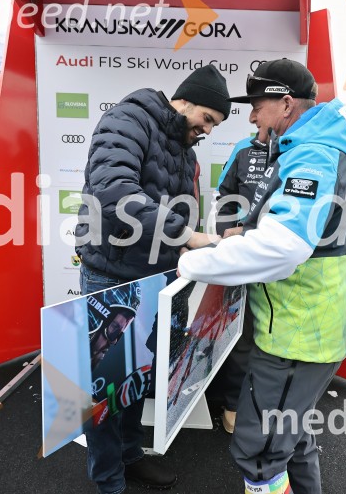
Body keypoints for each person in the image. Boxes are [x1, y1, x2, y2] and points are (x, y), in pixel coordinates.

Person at [178, 59, 346, 494]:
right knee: (292, 440)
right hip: (302, 329)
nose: (252, 117)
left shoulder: (314, 154)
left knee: (259, 452)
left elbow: (284, 248)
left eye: (257, 105)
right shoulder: (312, 148)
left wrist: (191, 264)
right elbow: (297, 233)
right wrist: (241, 235)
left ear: (285, 103)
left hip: (297, 335)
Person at [74, 63, 231, 494]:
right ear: (186, 102)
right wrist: (186, 236)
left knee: (137, 378)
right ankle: (108, 480)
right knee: (105, 387)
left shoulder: (186, 150)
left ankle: (130, 456)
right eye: (207, 119)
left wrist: (182, 248)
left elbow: (171, 211)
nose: (207, 130)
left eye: (214, 126)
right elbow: (114, 193)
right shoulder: (128, 119)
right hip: (109, 277)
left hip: (153, 278)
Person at [205, 132, 270, 434]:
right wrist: (230, 241)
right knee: (243, 335)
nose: (254, 118)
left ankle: (272, 403)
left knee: (276, 339)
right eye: (253, 111)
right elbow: (224, 199)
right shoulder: (244, 148)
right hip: (247, 261)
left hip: (289, 264)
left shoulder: (305, 150)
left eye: (258, 110)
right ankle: (233, 403)